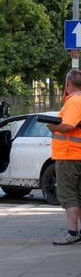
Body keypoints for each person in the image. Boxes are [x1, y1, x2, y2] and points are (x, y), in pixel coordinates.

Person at [47, 69, 81, 245]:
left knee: (68, 194)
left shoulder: (74, 101)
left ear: (68, 83)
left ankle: (72, 232)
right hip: (77, 154)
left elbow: (67, 126)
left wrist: (53, 127)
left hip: (70, 154)